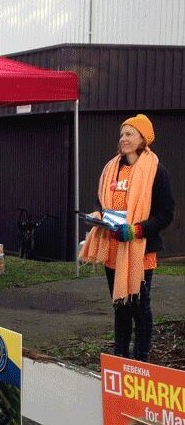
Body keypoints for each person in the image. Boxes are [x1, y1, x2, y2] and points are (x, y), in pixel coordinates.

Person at [79, 114, 174, 361]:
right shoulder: (111, 168)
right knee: (120, 307)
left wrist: (136, 230)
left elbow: (166, 214)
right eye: (122, 134)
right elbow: (101, 202)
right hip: (113, 248)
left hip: (139, 251)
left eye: (129, 134)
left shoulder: (156, 171)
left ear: (144, 138)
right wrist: (97, 214)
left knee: (139, 308)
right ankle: (119, 357)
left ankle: (140, 359)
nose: (123, 138)